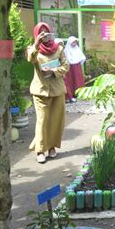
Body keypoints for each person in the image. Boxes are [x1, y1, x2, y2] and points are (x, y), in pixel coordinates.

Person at [27, 22, 69, 164]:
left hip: (57, 89)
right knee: (42, 120)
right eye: (41, 33)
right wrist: (36, 44)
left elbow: (66, 66)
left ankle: (51, 147)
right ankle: (40, 150)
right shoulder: (33, 49)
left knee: (56, 121)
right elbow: (30, 59)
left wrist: (53, 71)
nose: (44, 36)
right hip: (40, 91)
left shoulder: (59, 48)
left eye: (46, 33)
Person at [63, 36, 86, 103]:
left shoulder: (77, 49)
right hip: (70, 68)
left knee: (78, 79)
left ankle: (79, 93)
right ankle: (71, 94)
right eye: (73, 42)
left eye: (75, 42)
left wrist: (78, 63)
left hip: (77, 67)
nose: (74, 43)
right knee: (71, 80)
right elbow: (65, 59)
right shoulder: (66, 50)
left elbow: (82, 57)